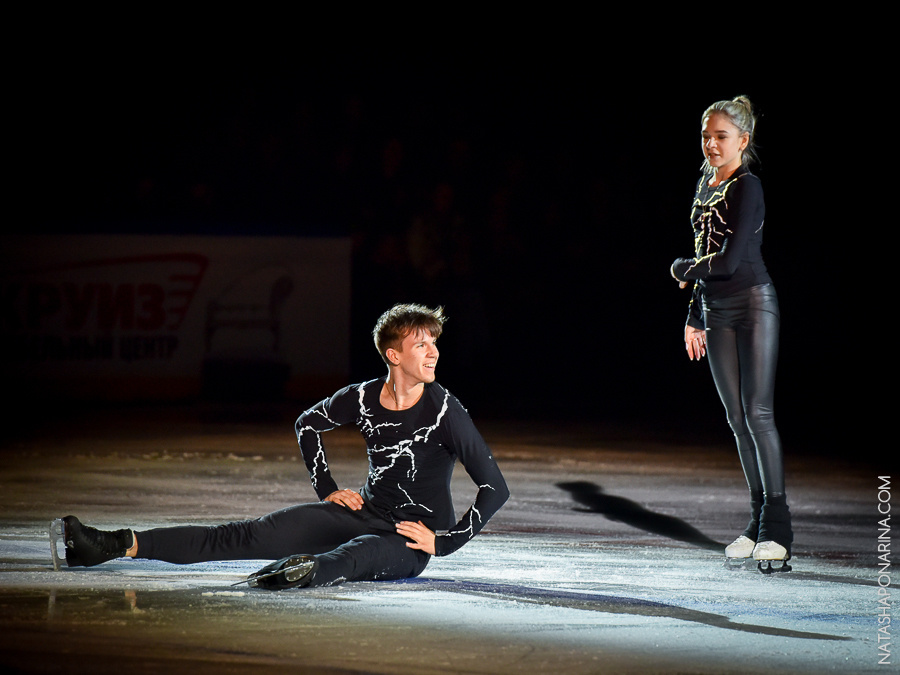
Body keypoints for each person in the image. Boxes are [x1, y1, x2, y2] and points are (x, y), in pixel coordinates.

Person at [57, 303, 509, 589]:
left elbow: (494, 488)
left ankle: (296, 575)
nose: (433, 352)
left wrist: (442, 542)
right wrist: (327, 488)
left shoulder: (445, 410)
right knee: (246, 534)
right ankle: (110, 544)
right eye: (421, 344)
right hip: (362, 511)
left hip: (408, 537)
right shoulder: (362, 397)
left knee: (352, 557)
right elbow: (307, 424)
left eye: (433, 343)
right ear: (393, 355)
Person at [669, 96, 792, 572]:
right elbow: (706, 248)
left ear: (743, 140)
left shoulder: (748, 186)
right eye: (706, 136)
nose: (711, 144)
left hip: (753, 303)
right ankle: (757, 521)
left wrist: (682, 268)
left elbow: (728, 260)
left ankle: (778, 528)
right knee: (736, 418)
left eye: (721, 136)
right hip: (715, 309)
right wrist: (694, 315)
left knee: (758, 413)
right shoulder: (705, 183)